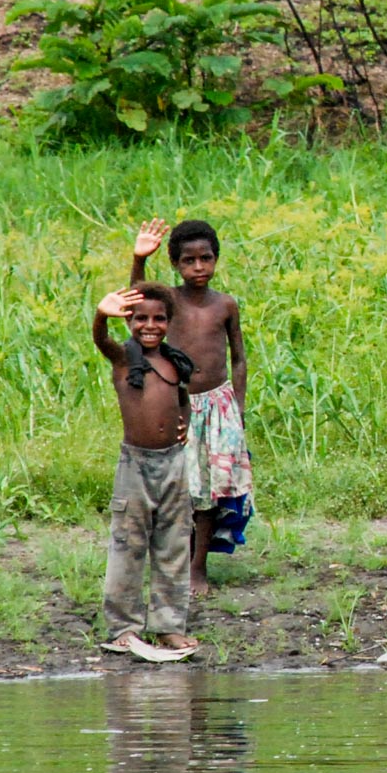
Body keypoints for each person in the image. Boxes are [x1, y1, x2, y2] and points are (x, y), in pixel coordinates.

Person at [130, 217, 250, 597]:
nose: (199, 268)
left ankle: (199, 567)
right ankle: (172, 561)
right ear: (175, 264)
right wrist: (139, 259)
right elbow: (135, 299)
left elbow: (238, 358)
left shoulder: (225, 305)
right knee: (179, 486)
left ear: (216, 259)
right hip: (179, 405)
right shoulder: (169, 301)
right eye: (189, 261)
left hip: (219, 407)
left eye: (206, 259)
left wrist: (239, 406)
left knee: (211, 491)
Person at [92, 284, 199, 659]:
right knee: (128, 545)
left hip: (173, 463)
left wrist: (183, 422)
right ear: (130, 321)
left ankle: (169, 626)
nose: (150, 325)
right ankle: (123, 628)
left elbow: (181, 398)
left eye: (159, 318)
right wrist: (102, 315)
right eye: (141, 318)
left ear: (169, 322)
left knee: (174, 544)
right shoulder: (124, 359)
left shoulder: (173, 362)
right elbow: (102, 340)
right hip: (135, 465)